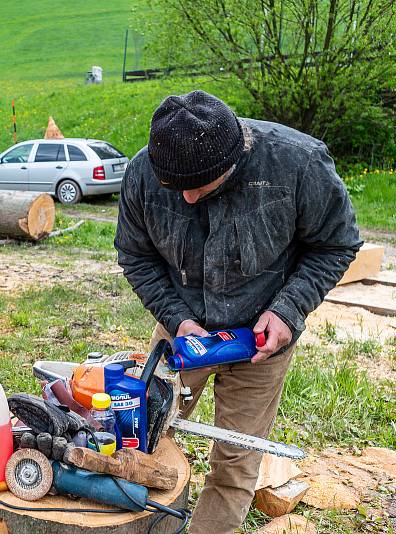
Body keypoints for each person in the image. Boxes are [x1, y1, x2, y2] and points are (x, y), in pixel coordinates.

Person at [114, 90, 361, 533]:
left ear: (230, 164)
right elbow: (136, 256)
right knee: (139, 438)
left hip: (262, 340)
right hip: (181, 337)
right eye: (176, 188)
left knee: (234, 467)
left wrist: (288, 311)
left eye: (199, 187)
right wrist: (177, 320)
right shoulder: (142, 174)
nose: (187, 199)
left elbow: (336, 244)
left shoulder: (297, 164)